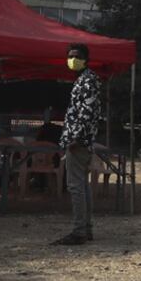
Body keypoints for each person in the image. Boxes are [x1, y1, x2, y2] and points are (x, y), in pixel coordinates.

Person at [52, 43, 103, 246]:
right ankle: (85, 228)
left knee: (76, 187)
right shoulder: (84, 80)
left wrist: (75, 137)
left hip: (78, 141)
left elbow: (87, 112)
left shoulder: (88, 80)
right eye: (70, 56)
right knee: (82, 185)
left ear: (86, 59)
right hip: (80, 139)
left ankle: (79, 230)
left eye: (77, 56)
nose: (73, 59)